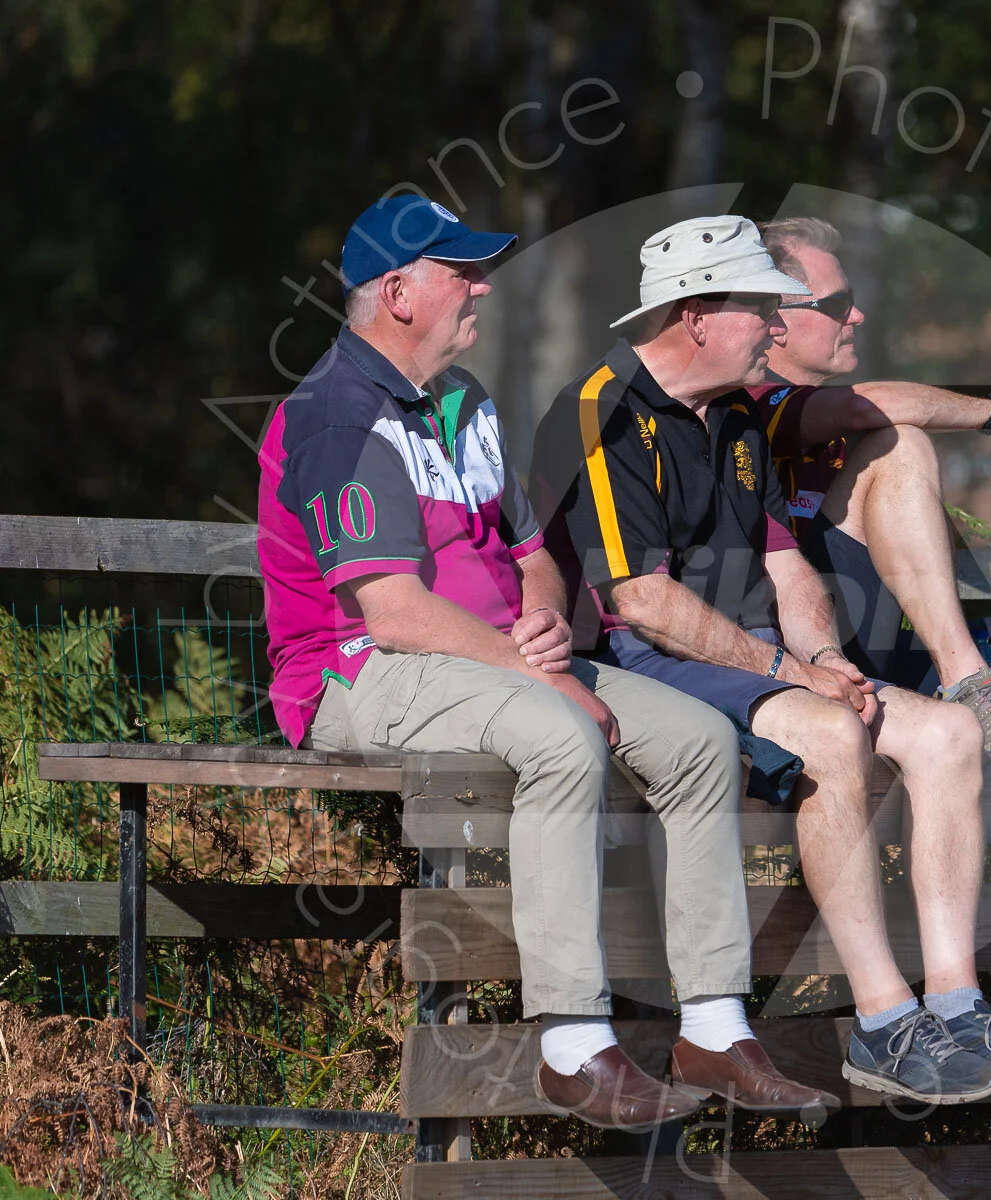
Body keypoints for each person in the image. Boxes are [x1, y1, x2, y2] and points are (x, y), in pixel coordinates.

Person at [256, 194, 834, 1130]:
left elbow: (532, 557)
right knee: (563, 735)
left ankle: (716, 1030)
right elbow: (393, 614)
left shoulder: (464, 398)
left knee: (697, 739)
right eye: (460, 272)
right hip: (354, 668)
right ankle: (575, 1047)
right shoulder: (337, 414)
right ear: (399, 293)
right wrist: (540, 670)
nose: (482, 285)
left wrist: (542, 629)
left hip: (492, 661)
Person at [533, 214, 991, 1105]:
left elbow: (784, 560)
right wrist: (793, 674)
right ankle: (886, 1025)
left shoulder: (740, 411)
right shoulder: (600, 407)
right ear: (697, 315)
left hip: (763, 661)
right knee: (831, 733)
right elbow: (643, 604)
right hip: (644, 662)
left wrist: (822, 650)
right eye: (758, 308)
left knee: (948, 734)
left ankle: (959, 1006)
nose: (775, 326)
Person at [743, 216, 991, 754]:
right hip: (825, 651)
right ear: (778, 322)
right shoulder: (748, 401)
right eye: (837, 305)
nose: (857, 315)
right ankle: (976, 691)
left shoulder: (836, 425)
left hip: (901, 647)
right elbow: (880, 403)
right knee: (901, 442)